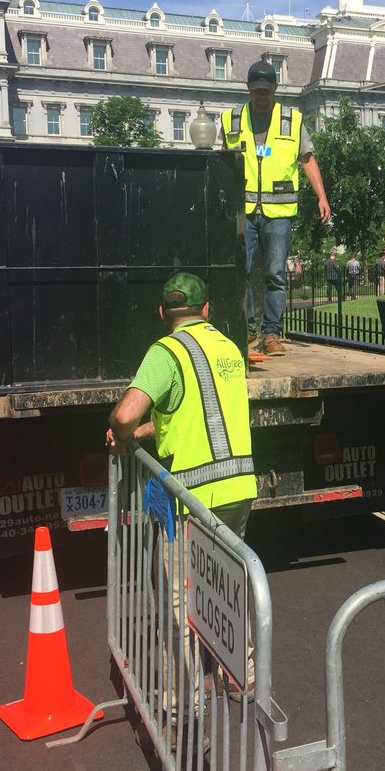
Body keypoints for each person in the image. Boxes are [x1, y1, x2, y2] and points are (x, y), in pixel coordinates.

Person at [106, 272, 256, 535]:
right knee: (230, 563)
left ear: (161, 313)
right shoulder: (231, 348)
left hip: (193, 498)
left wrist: (122, 435)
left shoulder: (167, 351)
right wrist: (139, 433)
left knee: (179, 565)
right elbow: (195, 415)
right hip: (239, 489)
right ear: (206, 309)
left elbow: (124, 417)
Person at [222, 60, 330, 357]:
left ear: (275, 88)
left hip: (279, 212)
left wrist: (322, 197)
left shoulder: (292, 120)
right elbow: (222, 162)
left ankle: (271, 334)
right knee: (240, 271)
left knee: (275, 274)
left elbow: (307, 159)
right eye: (257, 90)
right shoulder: (231, 119)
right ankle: (247, 330)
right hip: (243, 210)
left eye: (266, 90)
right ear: (248, 88)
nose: (262, 95)